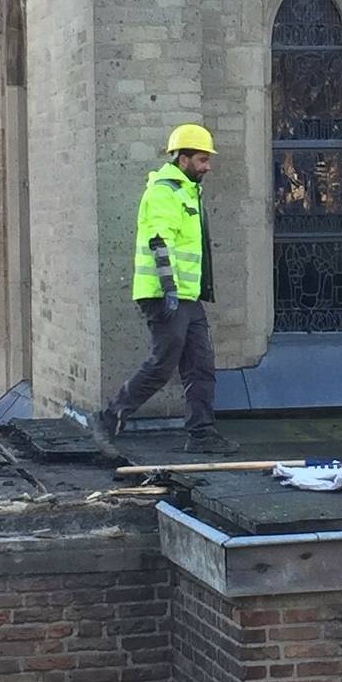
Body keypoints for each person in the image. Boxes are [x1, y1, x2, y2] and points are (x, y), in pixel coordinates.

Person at [91, 124, 239, 455]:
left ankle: (201, 433)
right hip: (164, 296)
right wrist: (169, 289)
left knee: (200, 363)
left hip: (186, 296)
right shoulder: (164, 191)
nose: (207, 166)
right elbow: (159, 240)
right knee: (162, 363)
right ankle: (108, 417)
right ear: (183, 158)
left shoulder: (187, 190)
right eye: (202, 160)